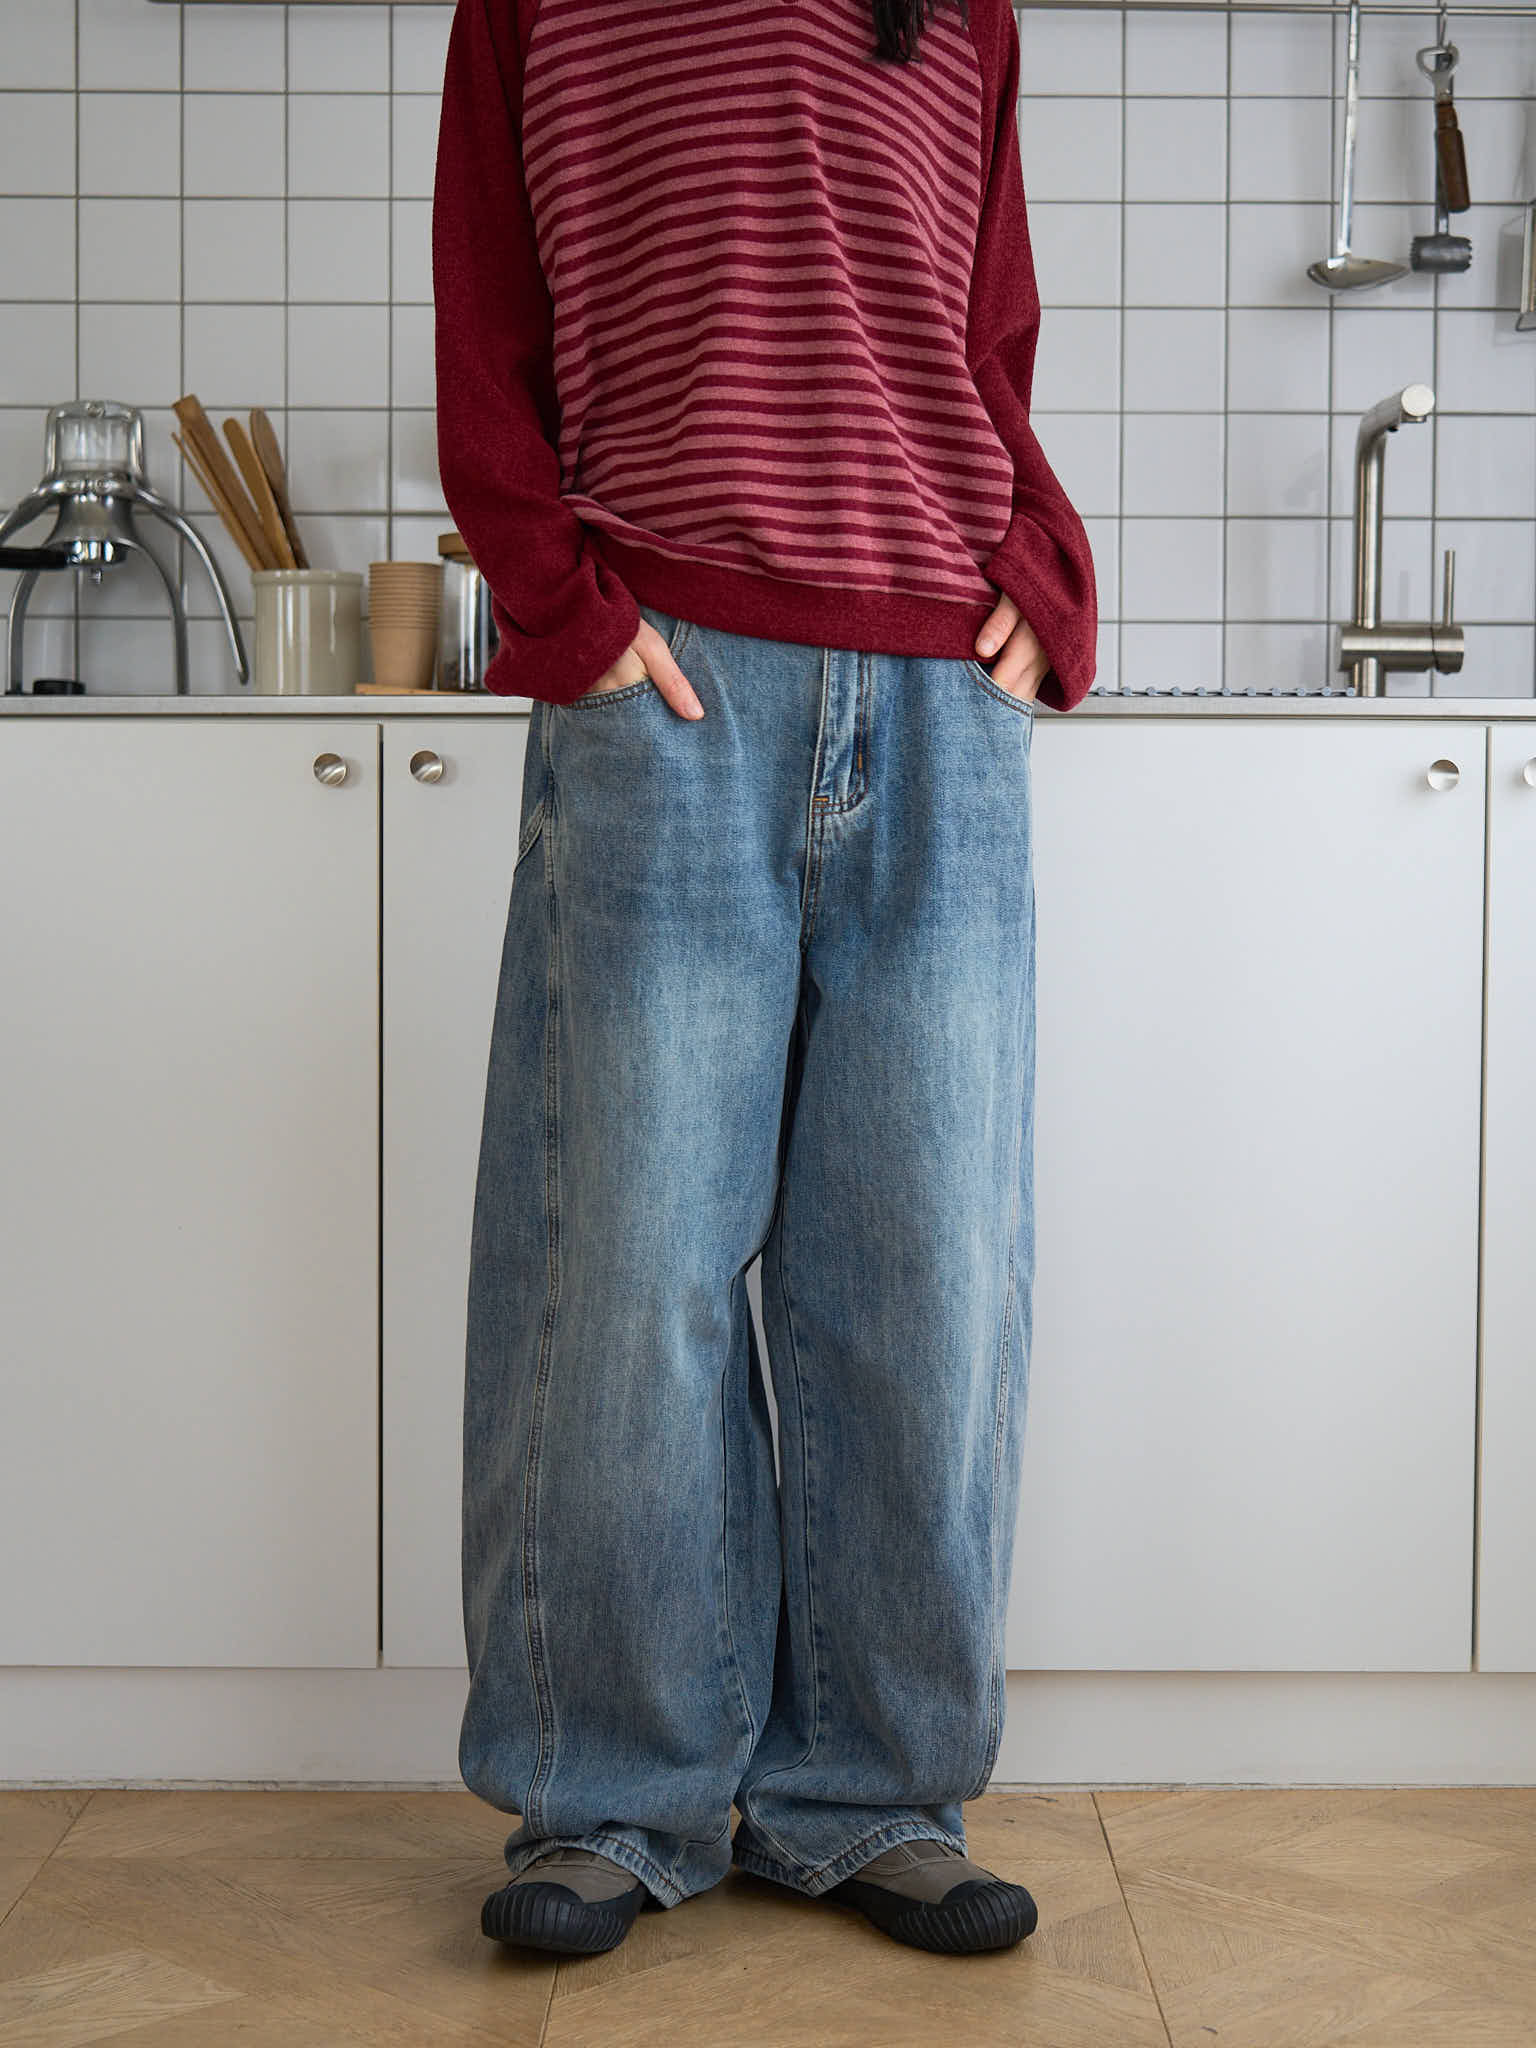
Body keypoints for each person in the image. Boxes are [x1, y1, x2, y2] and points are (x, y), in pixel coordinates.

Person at [432, 0, 1097, 1962]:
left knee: (925, 1282)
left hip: (939, 697)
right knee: (622, 1276)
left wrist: (1041, 568)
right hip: (670, 691)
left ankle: (871, 1793)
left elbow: (986, 337)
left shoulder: (958, 8)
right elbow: (488, 316)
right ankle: (612, 1795)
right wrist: (560, 602)